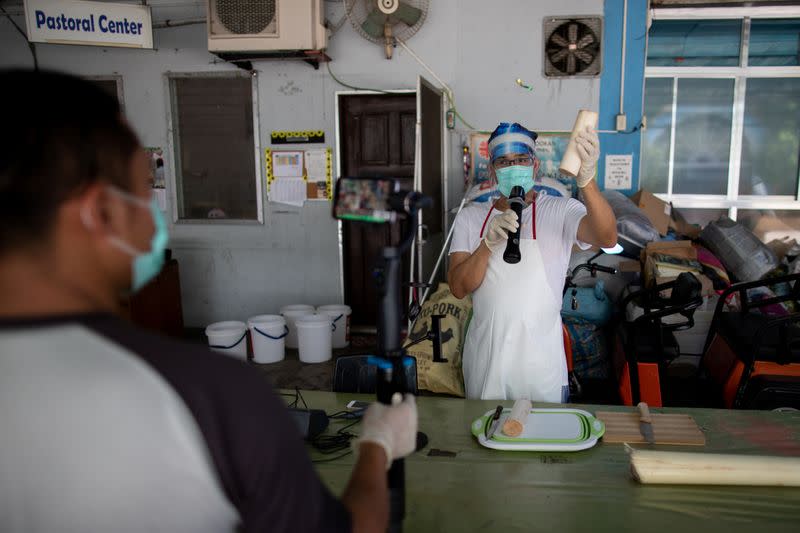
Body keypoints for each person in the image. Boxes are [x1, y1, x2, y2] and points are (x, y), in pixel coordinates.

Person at [0, 69, 417, 533]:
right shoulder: (207, 395)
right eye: (145, 187)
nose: (154, 212)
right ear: (102, 212)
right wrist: (377, 445)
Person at [447, 122, 617, 402]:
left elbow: (607, 237)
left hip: (542, 368)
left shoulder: (560, 210)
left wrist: (587, 181)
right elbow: (458, 287)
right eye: (503, 161)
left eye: (521, 160)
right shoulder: (471, 217)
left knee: (543, 441)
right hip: (487, 365)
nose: (513, 166)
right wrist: (487, 246)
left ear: (535, 166)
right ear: (492, 170)